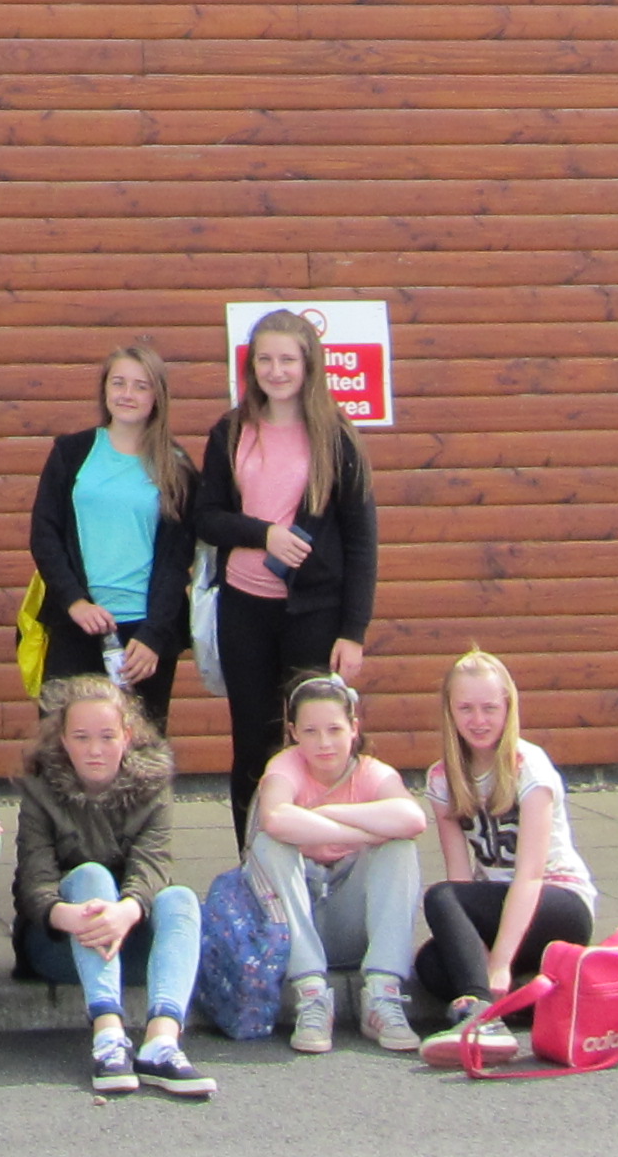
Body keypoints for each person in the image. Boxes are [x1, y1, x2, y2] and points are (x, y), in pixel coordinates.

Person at [190, 309, 379, 845]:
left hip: (314, 613)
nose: (276, 371)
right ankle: (255, 861)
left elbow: (363, 541)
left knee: (316, 740)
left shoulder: (337, 438)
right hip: (245, 606)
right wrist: (264, 534)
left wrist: (353, 631)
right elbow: (206, 517)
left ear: (308, 366)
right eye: (266, 360)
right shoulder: (231, 431)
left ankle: (321, 850)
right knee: (254, 740)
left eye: (287, 360)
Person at [11, 677, 211, 1098]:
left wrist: (127, 911)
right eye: (81, 738)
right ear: (63, 740)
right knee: (90, 877)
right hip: (61, 943)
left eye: (106, 737)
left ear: (128, 736)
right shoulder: (40, 791)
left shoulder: (153, 787)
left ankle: (161, 1041)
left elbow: (155, 865)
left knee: (181, 898)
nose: (95, 749)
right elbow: (33, 882)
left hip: (129, 938)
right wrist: (74, 914)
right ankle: (107, 1036)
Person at [415, 649, 598, 1038]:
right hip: (495, 905)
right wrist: (478, 953)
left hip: (556, 900)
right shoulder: (442, 778)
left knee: (440, 898)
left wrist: (497, 962)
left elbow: (530, 875)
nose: (478, 720)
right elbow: (461, 878)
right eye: (465, 708)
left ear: (508, 707)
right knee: (430, 963)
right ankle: (530, 1002)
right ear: (449, 711)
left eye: (489, 708)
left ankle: (480, 1012)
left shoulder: (528, 766)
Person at [242, 671, 426, 1054]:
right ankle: (310, 993)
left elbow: (413, 819)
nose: (324, 743)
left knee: (399, 848)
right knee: (270, 844)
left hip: (352, 922)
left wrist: (329, 813)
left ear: (354, 728)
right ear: (293, 732)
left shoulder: (373, 772)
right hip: (296, 924)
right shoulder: (285, 766)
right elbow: (275, 818)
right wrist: (361, 832)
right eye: (310, 732)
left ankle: (382, 993)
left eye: (334, 729)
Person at [24, 342, 195, 735]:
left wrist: (155, 636)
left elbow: (176, 562)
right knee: (61, 745)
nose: (127, 395)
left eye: (140, 386)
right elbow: (45, 534)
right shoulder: (72, 453)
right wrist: (75, 600)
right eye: (119, 383)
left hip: (142, 635)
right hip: (77, 624)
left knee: (139, 748)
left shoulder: (177, 467)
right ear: (104, 390)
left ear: (157, 396)